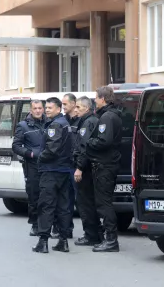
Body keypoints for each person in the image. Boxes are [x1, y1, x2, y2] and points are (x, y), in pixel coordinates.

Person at [33, 97, 73, 254]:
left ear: (58, 109)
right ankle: (63, 241)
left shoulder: (55, 125)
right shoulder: (65, 123)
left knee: (46, 206)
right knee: (63, 207)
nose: (47, 110)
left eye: (50, 107)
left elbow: (51, 150)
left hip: (51, 171)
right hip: (64, 171)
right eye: (46, 107)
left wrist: (39, 158)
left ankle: (43, 241)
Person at [86, 86, 123, 252]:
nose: (95, 100)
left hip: (105, 165)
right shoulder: (112, 115)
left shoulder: (107, 117)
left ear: (103, 99)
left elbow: (104, 141)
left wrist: (89, 141)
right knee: (104, 202)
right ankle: (109, 238)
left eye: (96, 97)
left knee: (104, 203)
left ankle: (111, 240)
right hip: (108, 163)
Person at [11, 99, 46, 236]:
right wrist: (29, 153)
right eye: (35, 108)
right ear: (31, 110)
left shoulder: (49, 123)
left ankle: (48, 224)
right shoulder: (23, 126)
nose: (38, 111)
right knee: (34, 195)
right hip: (32, 165)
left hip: (48, 164)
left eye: (40, 108)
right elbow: (16, 146)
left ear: (43, 109)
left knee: (48, 196)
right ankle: (35, 224)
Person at [72, 96, 103, 247]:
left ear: (87, 108)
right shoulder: (90, 120)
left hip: (86, 169)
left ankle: (91, 235)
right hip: (91, 168)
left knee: (85, 203)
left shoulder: (88, 122)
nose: (76, 110)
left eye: (78, 107)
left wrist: (79, 168)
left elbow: (84, 148)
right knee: (89, 202)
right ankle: (96, 233)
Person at [48, 93, 79, 239]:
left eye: (65, 104)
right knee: (64, 200)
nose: (63, 106)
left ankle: (90, 233)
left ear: (73, 104)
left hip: (76, 165)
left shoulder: (80, 120)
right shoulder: (62, 120)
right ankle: (64, 229)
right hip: (64, 166)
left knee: (79, 200)